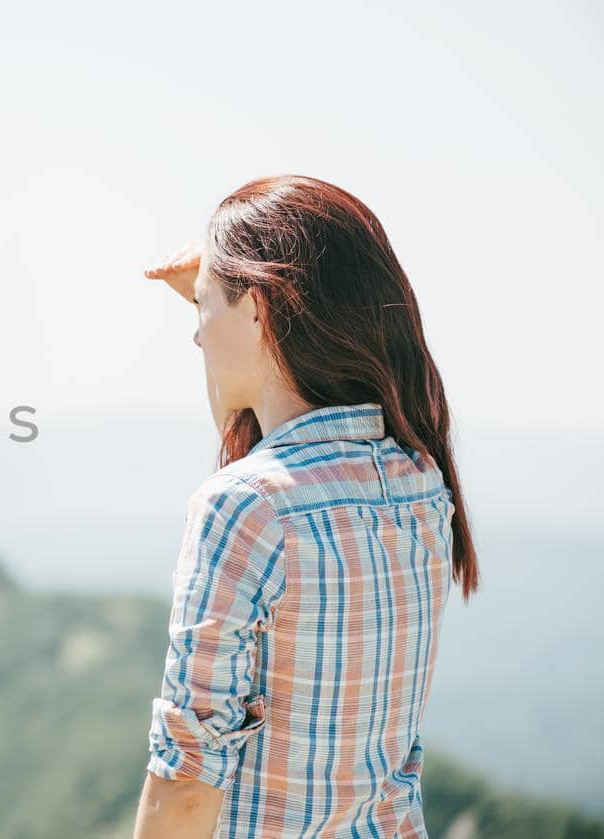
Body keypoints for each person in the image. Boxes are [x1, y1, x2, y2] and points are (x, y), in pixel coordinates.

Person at [130, 175, 479, 838]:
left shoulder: (247, 508)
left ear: (259, 310)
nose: (197, 338)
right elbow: (252, 410)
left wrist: (225, 307)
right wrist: (216, 300)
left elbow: (185, 780)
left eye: (205, 310)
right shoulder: (417, 479)